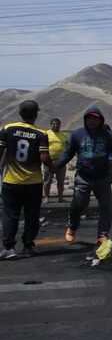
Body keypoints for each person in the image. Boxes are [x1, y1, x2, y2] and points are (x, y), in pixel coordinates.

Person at [56, 106, 112, 246]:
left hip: (103, 177)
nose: (92, 121)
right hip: (83, 177)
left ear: (100, 120)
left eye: (95, 118)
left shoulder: (107, 135)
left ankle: (102, 235)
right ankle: (72, 227)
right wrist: (57, 165)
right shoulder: (77, 134)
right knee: (78, 205)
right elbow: (68, 153)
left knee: (105, 207)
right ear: (85, 119)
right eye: (90, 118)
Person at [0, 100, 52, 260]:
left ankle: (9, 248)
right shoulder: (41, 133)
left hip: (11, 181)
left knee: (10, 215)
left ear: (20, 113)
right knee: (32, 215)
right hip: (33, 182)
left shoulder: (8, 129)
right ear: (36, 114)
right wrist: (53, 166)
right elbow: (44, 158)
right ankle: (28, 246)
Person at [42, 117, 68, 204]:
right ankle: (46, 197)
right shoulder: (46, 134)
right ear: (51, 125)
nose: (56, 125)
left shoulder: (64, 135)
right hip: (49, 161)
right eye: (54, 123)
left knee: (61, 181)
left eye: (57, 123)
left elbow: (69, 146)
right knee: (47, 181)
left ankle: (60, 197)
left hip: (61, 161)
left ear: (60, 125)